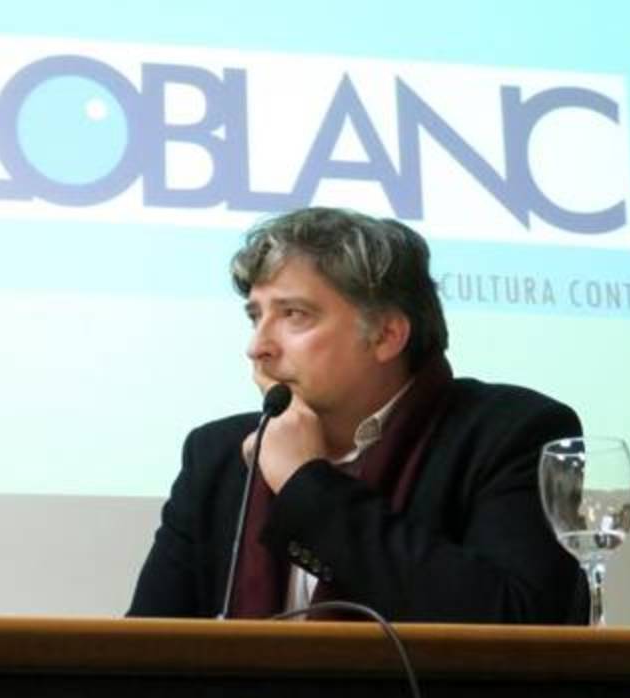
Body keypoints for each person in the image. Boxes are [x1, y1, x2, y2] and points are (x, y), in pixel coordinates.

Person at [129, 207, 585, 623]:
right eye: (255, 317)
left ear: (386, 335)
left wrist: (306, 484)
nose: (258, 346)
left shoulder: (515, 433)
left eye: (293, 314)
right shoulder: (216, 456)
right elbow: (143, 655)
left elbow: (514, 623)